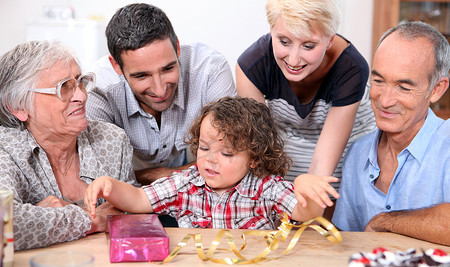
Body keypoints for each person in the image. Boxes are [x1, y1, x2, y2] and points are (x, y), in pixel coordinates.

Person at [84, 97, 325, 229]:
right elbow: (137, 200)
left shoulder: (266, 188)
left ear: (253, 158)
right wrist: (110, 186)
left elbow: (305, 214)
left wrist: (306, 188)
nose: (210, 159)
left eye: (227, 154)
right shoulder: (186, 184)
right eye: (204, 147)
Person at [236, 0, 376, 218]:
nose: (293, 59)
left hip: (344, 147)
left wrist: (307, 210)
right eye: (284, 41)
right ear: (271, 30)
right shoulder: (252, 65)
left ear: (330, 40)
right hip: (286, 145)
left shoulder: (352, 69)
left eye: (308, 46)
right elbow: (262, 154)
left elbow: (321, 173)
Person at [0, 41, 137, 251]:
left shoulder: (112, 140)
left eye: (80, 82)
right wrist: (92, 220)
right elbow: (5, 223)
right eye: (63, 87)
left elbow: (137, 213)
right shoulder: (5, 149)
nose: (82, 96)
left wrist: (45, 217)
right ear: (19, 107)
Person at [86, 3, 236, 186]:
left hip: (184, 174)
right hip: (127, 180)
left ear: (177, 47)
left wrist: (165, 174)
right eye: (142, 76)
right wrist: (141, 179)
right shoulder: (98, 90)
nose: (159, 90)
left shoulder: (209, 70)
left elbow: (229, 155)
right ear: (116, 65)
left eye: (168, 68)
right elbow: (104, 178)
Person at [331, 21, 450, 246]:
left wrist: (385, 222)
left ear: (437, 89)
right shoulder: (358, 152)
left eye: (403, 87)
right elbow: (346, 240)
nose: (385, 100)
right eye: (378, 81)